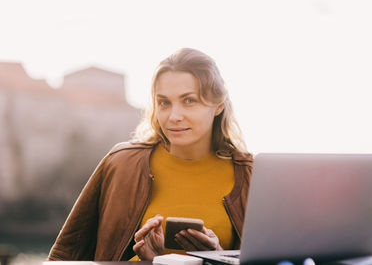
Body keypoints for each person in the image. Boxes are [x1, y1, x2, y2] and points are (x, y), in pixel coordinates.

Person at [48, 48, 253, 261]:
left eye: (189, 101)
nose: (174, 116)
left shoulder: (250, 175)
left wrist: (220, 259)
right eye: (164, 102)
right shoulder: (120, 163)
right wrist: (147, 260)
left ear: (218, 105)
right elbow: (63, 258)